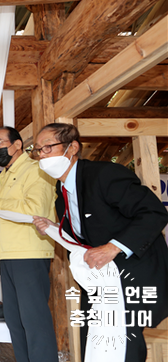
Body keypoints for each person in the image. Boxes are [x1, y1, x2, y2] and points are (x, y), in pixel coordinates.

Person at [32, 123, 168, 362]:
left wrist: (114, 247)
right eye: (37, 150)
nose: (41, 155)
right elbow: (84, 236)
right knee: (93, 335)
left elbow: (153, 213)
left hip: (135, 271)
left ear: (72, 147)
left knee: (124, 339)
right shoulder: (61, 191)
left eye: (47, 148)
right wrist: (54, 229)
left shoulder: (104, 175)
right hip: (101, 277)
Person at [0, 126, 58, 362]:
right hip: (7, 254)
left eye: (0, 142)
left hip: (29, 252)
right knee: (16, 320)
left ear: (17, 144)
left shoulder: (35, 171)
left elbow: (35, 210)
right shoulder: (5, 174)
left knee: (34, 320)